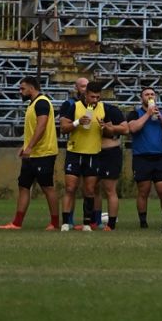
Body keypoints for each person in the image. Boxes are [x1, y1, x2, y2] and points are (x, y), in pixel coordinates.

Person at [0, 76, 60, 231]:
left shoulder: (42, 102)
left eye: (22, 88)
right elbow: (33, 128)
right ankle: (17, 223)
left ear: (32, 88)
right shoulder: (33, 104)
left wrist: (31, 146)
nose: (20, 91)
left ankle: (54, 223)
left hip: (43, 153)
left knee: (47, 188)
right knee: (24, 186)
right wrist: (24, 146)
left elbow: (42, 125)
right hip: (31, 154)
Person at [58, 81, 104, 230]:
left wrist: (108, 127)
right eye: (92, 97)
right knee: (70, 188)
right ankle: (65, 222)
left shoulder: (104, 108)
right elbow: (63, 128)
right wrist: (78, 122)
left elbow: (122, 127)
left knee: (89, 190)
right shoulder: (74, 107)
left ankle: (87, 223)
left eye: (97, 97)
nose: (95, 100)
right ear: (85, 94)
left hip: (92, 154)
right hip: (74, 152)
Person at [125, 86, 162, 228]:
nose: (150, 97)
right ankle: (143, 222)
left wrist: (161, 118)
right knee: (143, 191)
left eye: (152, 94)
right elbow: (132, 128)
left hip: (159, 157)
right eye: (146, 94)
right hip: (142, 157)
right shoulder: (135, 113)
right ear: (141, 98)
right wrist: (147, 115)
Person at [95, 89, 128, 230]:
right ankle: (94, 222)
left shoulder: (111, 110)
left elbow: (125, 129)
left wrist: (109, 128)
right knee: (92, 188)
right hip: (92, 152)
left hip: (110, 153)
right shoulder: (83, 110)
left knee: (109, 189)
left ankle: (111, 224)